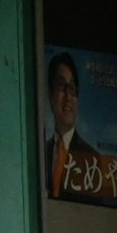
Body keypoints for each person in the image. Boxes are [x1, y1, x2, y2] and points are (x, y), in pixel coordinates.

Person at [43, 52, 96, 200]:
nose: (68, 96)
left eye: (72, 88)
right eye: (61, 86)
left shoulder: (91, 157)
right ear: (50, 95)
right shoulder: (40, 153)